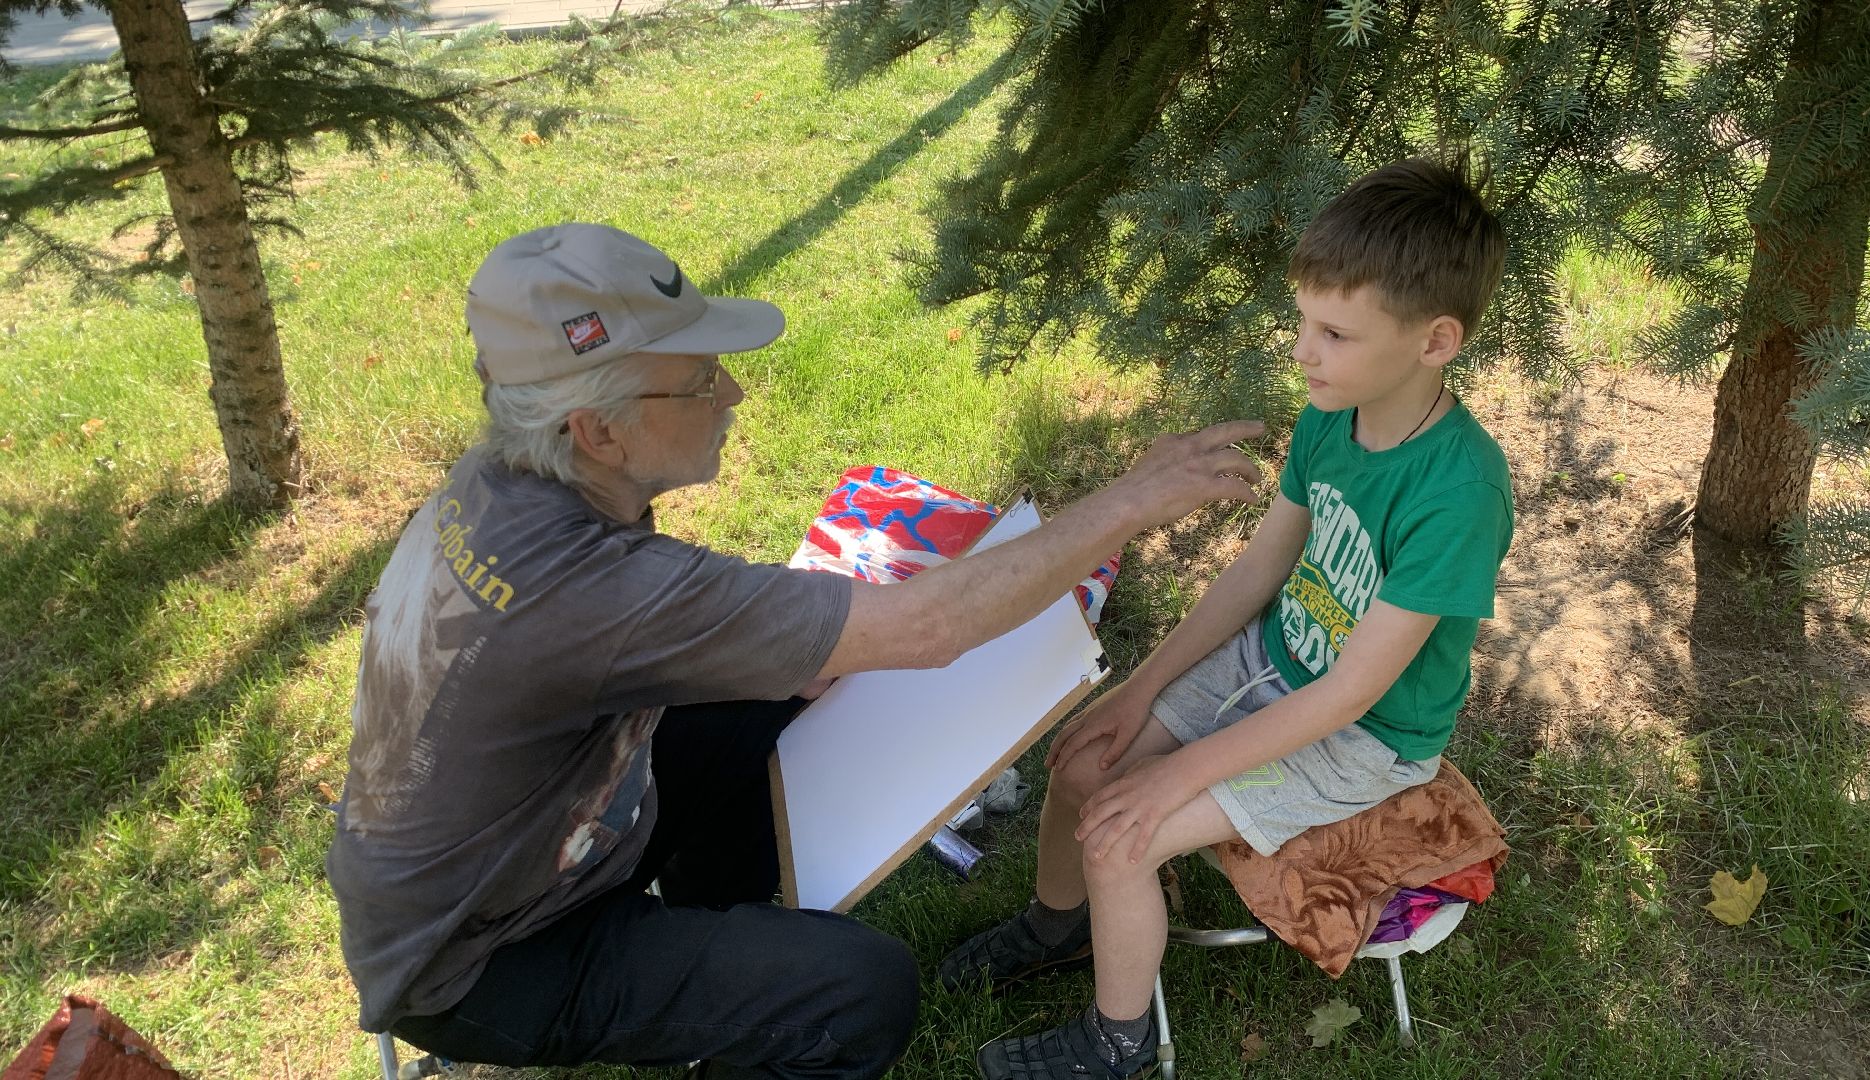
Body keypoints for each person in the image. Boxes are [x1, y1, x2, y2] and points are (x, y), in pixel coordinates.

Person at [324, 222, 1265, 1080]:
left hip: (499, 857)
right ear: (597, 430)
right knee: (858, 992)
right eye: (698, 381)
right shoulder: (594, 592)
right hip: (485, 958)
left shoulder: (506, 475)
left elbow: (744, 638)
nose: (729, 391)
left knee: (778, 690)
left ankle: (708, 953)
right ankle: (737, 1015)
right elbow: (930, 630)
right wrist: (1132, 503)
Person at [946, 158, 1514, 1080]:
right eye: (1305, 321)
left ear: (1435, 341)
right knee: (1086, 757)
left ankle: (1117, 1042)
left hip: (1367, 732)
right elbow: (1259, 567)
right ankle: (1057, 930)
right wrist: (1139, 692)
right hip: (1279, 659)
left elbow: (1352, 692)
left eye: (1333, 332)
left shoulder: (1459, 492)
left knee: (1124, 831)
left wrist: (1178, 779)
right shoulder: (1337, 413)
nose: (1302, 351)